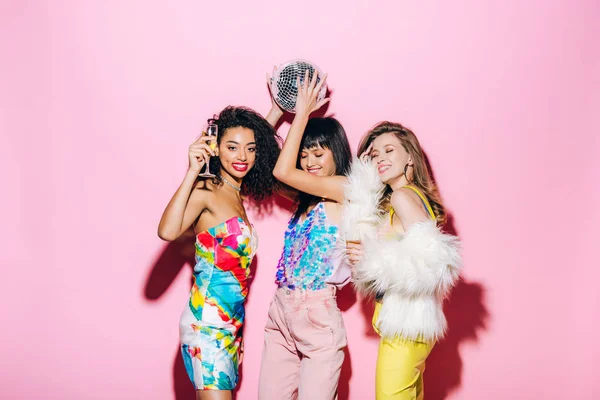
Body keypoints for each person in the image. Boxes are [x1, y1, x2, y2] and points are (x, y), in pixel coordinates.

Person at [158, 105, 281, 399]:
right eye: (232, 147)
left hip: (230, 325)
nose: (242, 156)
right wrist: (193, 170)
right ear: (215, 148)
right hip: (207, 324)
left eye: (250, 149)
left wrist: (277, 110)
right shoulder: (208, 191)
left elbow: (254, 137)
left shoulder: (235, 195)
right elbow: (167, 231)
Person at [344, 121, 462, 400]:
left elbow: (434, 263)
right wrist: (364, 179)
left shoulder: (402, 197)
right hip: (409, 325)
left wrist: (373, 259)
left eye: (389, 150)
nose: (381, 159)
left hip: (406, 326)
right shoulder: (407, 196)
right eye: (375, 155)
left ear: (410, 156)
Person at [258, 71, 352, 400]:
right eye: (305, 153)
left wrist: (301, 114)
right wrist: (277, 109)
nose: (309, 161)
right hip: (281, 308)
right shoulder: (306, 199)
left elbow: (284, 171)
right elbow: (261, 164)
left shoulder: (345, 189)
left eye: (319, 153)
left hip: (317, 311)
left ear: (336, 153)